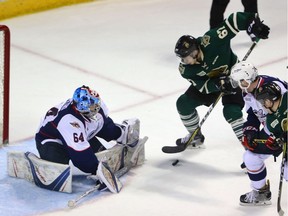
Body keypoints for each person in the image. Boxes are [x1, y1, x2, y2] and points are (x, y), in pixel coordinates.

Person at [173, 12, 270, 149]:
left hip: (235, 77)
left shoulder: (212, 40)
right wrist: (217, 85)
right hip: (213, 84)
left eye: (185, 57)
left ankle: (252, 149)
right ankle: (196, 136)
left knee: (231, 112)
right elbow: (202, 86)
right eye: (181, 59)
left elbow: (234, 20)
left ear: (194, 51)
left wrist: (252, 24)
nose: (184, 61)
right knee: (183, 103)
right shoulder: (186, 69)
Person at [35, 85, 141, 193]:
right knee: (58, 169)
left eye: (95, 105)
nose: (95, 109)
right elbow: (80, 156)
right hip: (52, 140)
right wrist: (96, 170)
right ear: (79, 108)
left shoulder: (95, 106)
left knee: (101, 154)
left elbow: (103, 125)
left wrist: (120, 134)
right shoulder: (69, 121)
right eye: (91, 108)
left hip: (80, 133)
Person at [230, 62, 287, 205]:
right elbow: (253, 114)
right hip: (273, 129)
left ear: (248, 79)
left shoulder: (274, 87)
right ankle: (260, 194)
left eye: (240, 81)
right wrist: (250, 129)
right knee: (251, 157)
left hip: (283, 127)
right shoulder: (248, 92)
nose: (239, 85)